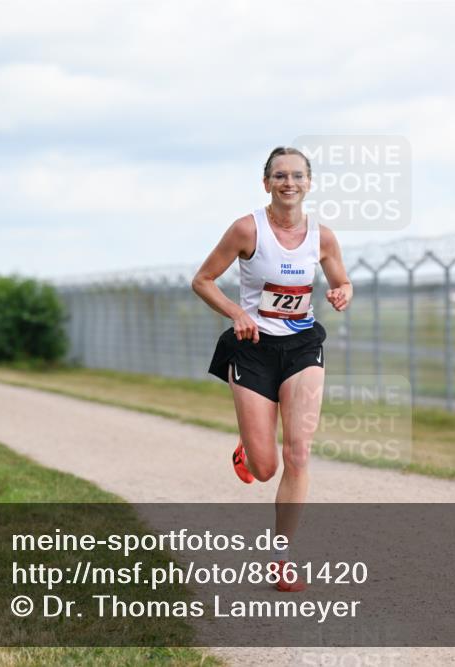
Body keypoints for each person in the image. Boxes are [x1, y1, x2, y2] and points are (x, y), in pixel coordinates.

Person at [192, 146, 352, 592]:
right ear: (266, 183)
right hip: (253, 349)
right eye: (280, 176)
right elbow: (202, 280)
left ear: (309, 183)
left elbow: (342, 280)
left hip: (302, 347)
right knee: (265, 468)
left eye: (297, 175)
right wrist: (236, 313)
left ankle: (281, 558)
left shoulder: (323, 237)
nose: (289, 183)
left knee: (298, 453)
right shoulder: (247, 229)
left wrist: (343, 293)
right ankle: (249, 451)